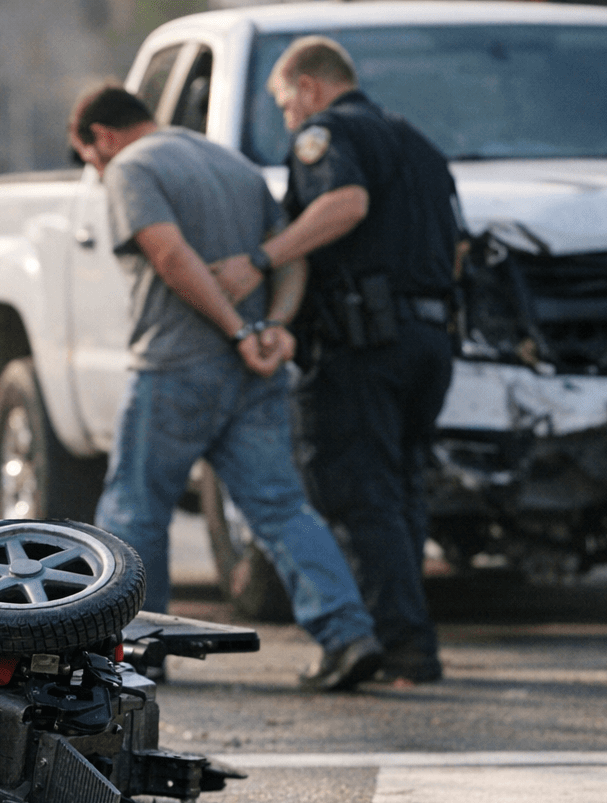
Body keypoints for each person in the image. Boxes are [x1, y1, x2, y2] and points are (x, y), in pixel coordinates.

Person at [70, 83, 382, 692]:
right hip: (252, 374)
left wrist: (240, 329)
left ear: (102, 137)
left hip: (174, 367)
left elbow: (170, 257)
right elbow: (290, 256)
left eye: (88, 157)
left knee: (135, 511)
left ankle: (135, 648)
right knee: (280, 508)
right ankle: (348, 635)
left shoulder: (131, 167)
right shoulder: (229, 163)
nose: (94, 169)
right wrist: (273, 329)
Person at [211, 37, 461, 684]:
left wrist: (263, 260)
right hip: (429, 341)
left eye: (285, 102)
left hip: (362, 346)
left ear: (311, 87)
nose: (287, 117)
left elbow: (345, 204)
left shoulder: (326, 134)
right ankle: (408, 644)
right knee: (399, 488)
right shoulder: (417, 142)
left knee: (353, 492)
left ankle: (397, 646)